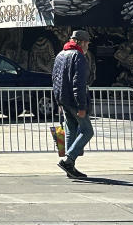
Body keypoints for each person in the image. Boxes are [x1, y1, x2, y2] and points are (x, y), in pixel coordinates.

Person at [52, 29, 94, 179]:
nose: (88, 45)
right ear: (81, 42)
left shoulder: (60, 55)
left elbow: (55, 80)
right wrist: (82, 106)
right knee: (87, 131)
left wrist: (59, 101)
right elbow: (79, 83)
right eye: (87, 42)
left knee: (70, 130)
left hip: (64, 100)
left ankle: (71, 168)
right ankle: (68, 161)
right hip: (75, 102)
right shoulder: (79, 56)